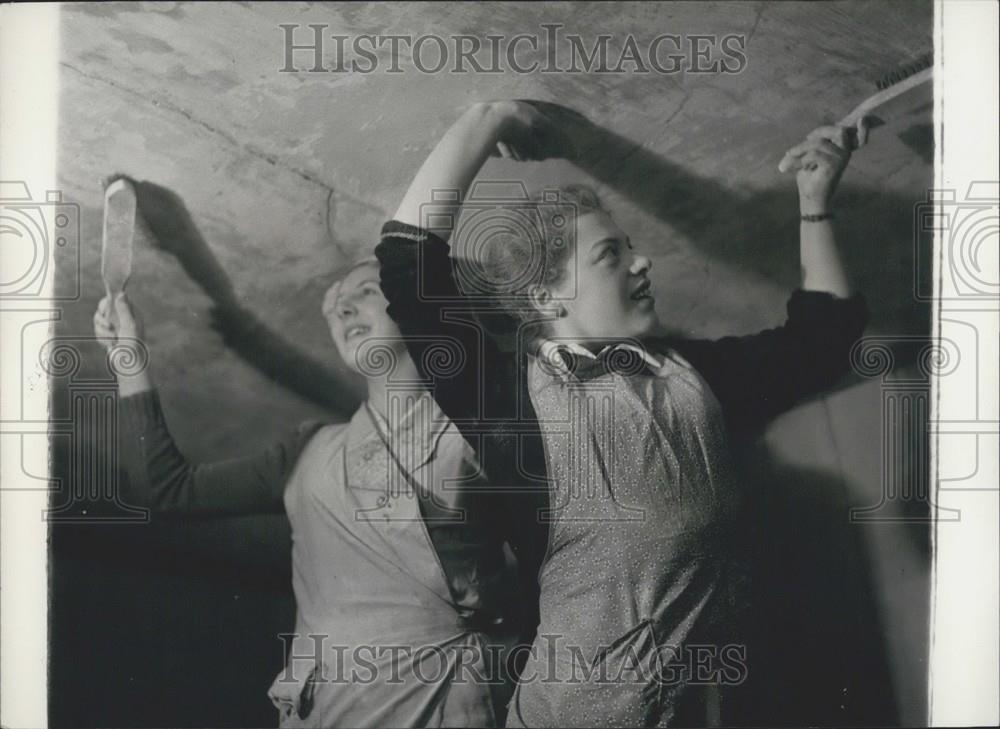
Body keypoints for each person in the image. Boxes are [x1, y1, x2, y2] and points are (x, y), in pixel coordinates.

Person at [376, 100, 870, 727]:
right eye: (612, 254)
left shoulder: (696, 378)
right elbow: (406, 260)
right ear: (546, 294)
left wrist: (815, 197)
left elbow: (824, 340)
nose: (643, 262)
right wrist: (490, 118)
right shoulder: (504, 398)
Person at [94, 256, 529, 727]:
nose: (343, 310)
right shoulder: (308, 450)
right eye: (337, 305)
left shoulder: (483, 431)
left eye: (366, 292)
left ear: (421, 308)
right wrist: (128, 356)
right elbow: (168, 490)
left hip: (444, 707)